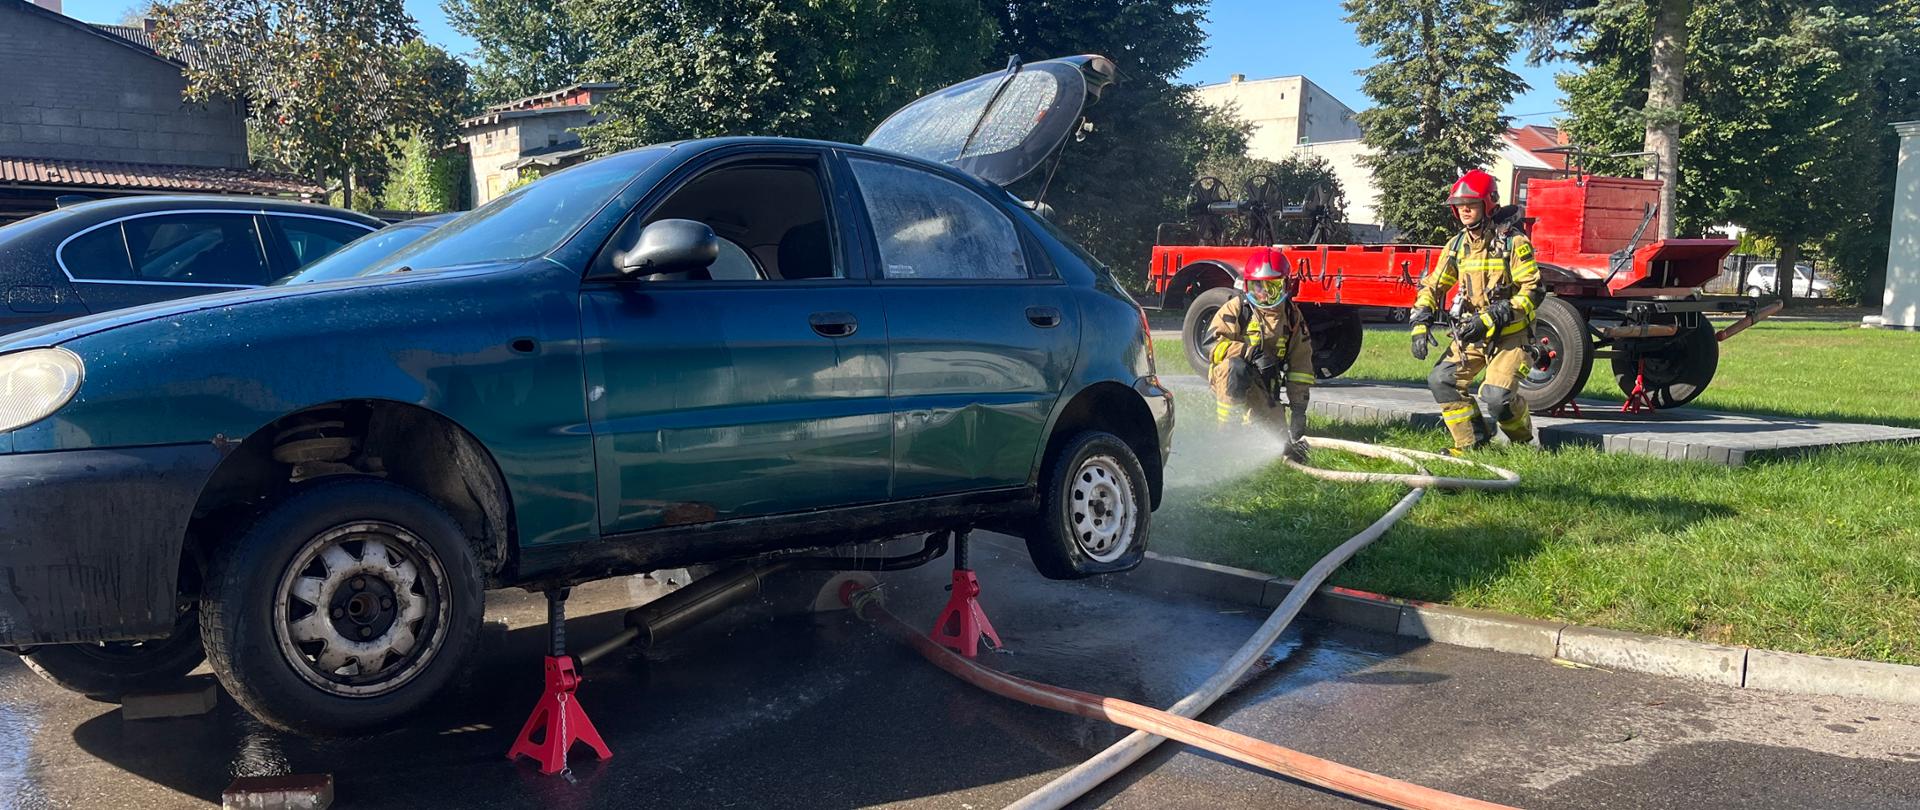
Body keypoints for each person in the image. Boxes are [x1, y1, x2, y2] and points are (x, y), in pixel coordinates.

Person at [1408, 169, 1544, 455]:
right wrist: (1420, 322)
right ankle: (1472, 443)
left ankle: (1523, 443)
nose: (1464, 210)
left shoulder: (1513, 243)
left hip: (1510, 335)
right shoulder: (1457, 246)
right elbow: (1433, 285)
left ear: (1489, 203)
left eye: (1471, 204)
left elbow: (1533, 291)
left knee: (1498, 399)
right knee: (1442, 380)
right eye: (1459, 206)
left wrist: (1496, 315)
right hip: (1473, 333)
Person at [1208, 262, 1315, 461]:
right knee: (1234, 368)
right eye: (1258, 287)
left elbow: (1301, 364)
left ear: (1284, 286)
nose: (1264, 295)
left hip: (1266, 385)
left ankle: (1254, 426)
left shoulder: (1291, 316)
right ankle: (1226, 434)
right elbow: (1212, 345)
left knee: (1281, 442)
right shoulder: (1237, 308)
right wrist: (1249, 353)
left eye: (1271, 288)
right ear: (1248, 286)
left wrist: (1299, 409)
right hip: (1232, 376)